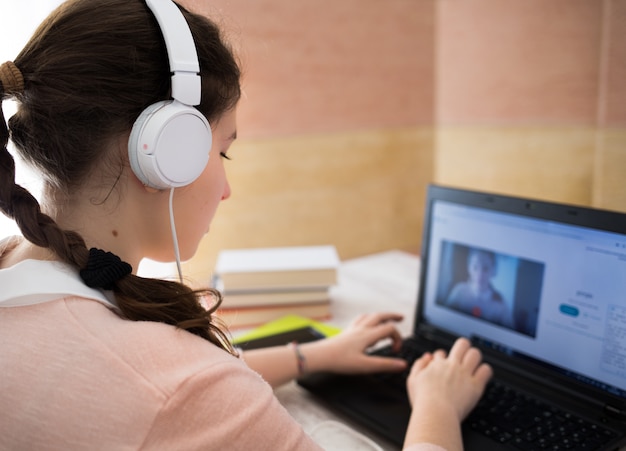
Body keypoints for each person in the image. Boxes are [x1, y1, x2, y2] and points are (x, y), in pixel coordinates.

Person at [0, 0, 492, 450]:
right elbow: (178, 393)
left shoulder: (13, 270)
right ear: (164, 154)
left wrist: (310, 357)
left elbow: (165, 391)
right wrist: (437, 404)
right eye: (222, 149)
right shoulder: (175, 387)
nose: (227, 187)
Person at [446, 248, 512, 327]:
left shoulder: (501, 304)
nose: (479, 274)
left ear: (493, 270)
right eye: (475, 267)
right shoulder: (459, 291)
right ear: (469, 268)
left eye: (485, 268)